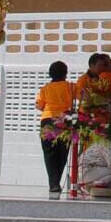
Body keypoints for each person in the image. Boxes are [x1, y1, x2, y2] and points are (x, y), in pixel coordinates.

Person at [35, 60, 75, 197]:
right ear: (65, 73)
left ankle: (54, 184)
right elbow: (82, 96)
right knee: (62, 153)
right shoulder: (70, 86)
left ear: (50, 74)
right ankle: (55, 182)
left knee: (49, 153)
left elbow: (39, 105)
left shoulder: (45, 88)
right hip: (65, 120)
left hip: (47, 121)